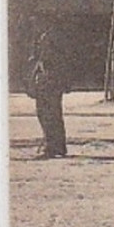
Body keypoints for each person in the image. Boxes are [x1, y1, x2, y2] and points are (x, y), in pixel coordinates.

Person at [24, 19, 69, 159]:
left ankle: (52, 145)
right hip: (50, 81)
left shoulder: (46, 38)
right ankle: (57, 145)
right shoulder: (47, 37)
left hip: (48, 82)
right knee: (52, 114)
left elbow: (45, 61)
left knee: (47, 114)